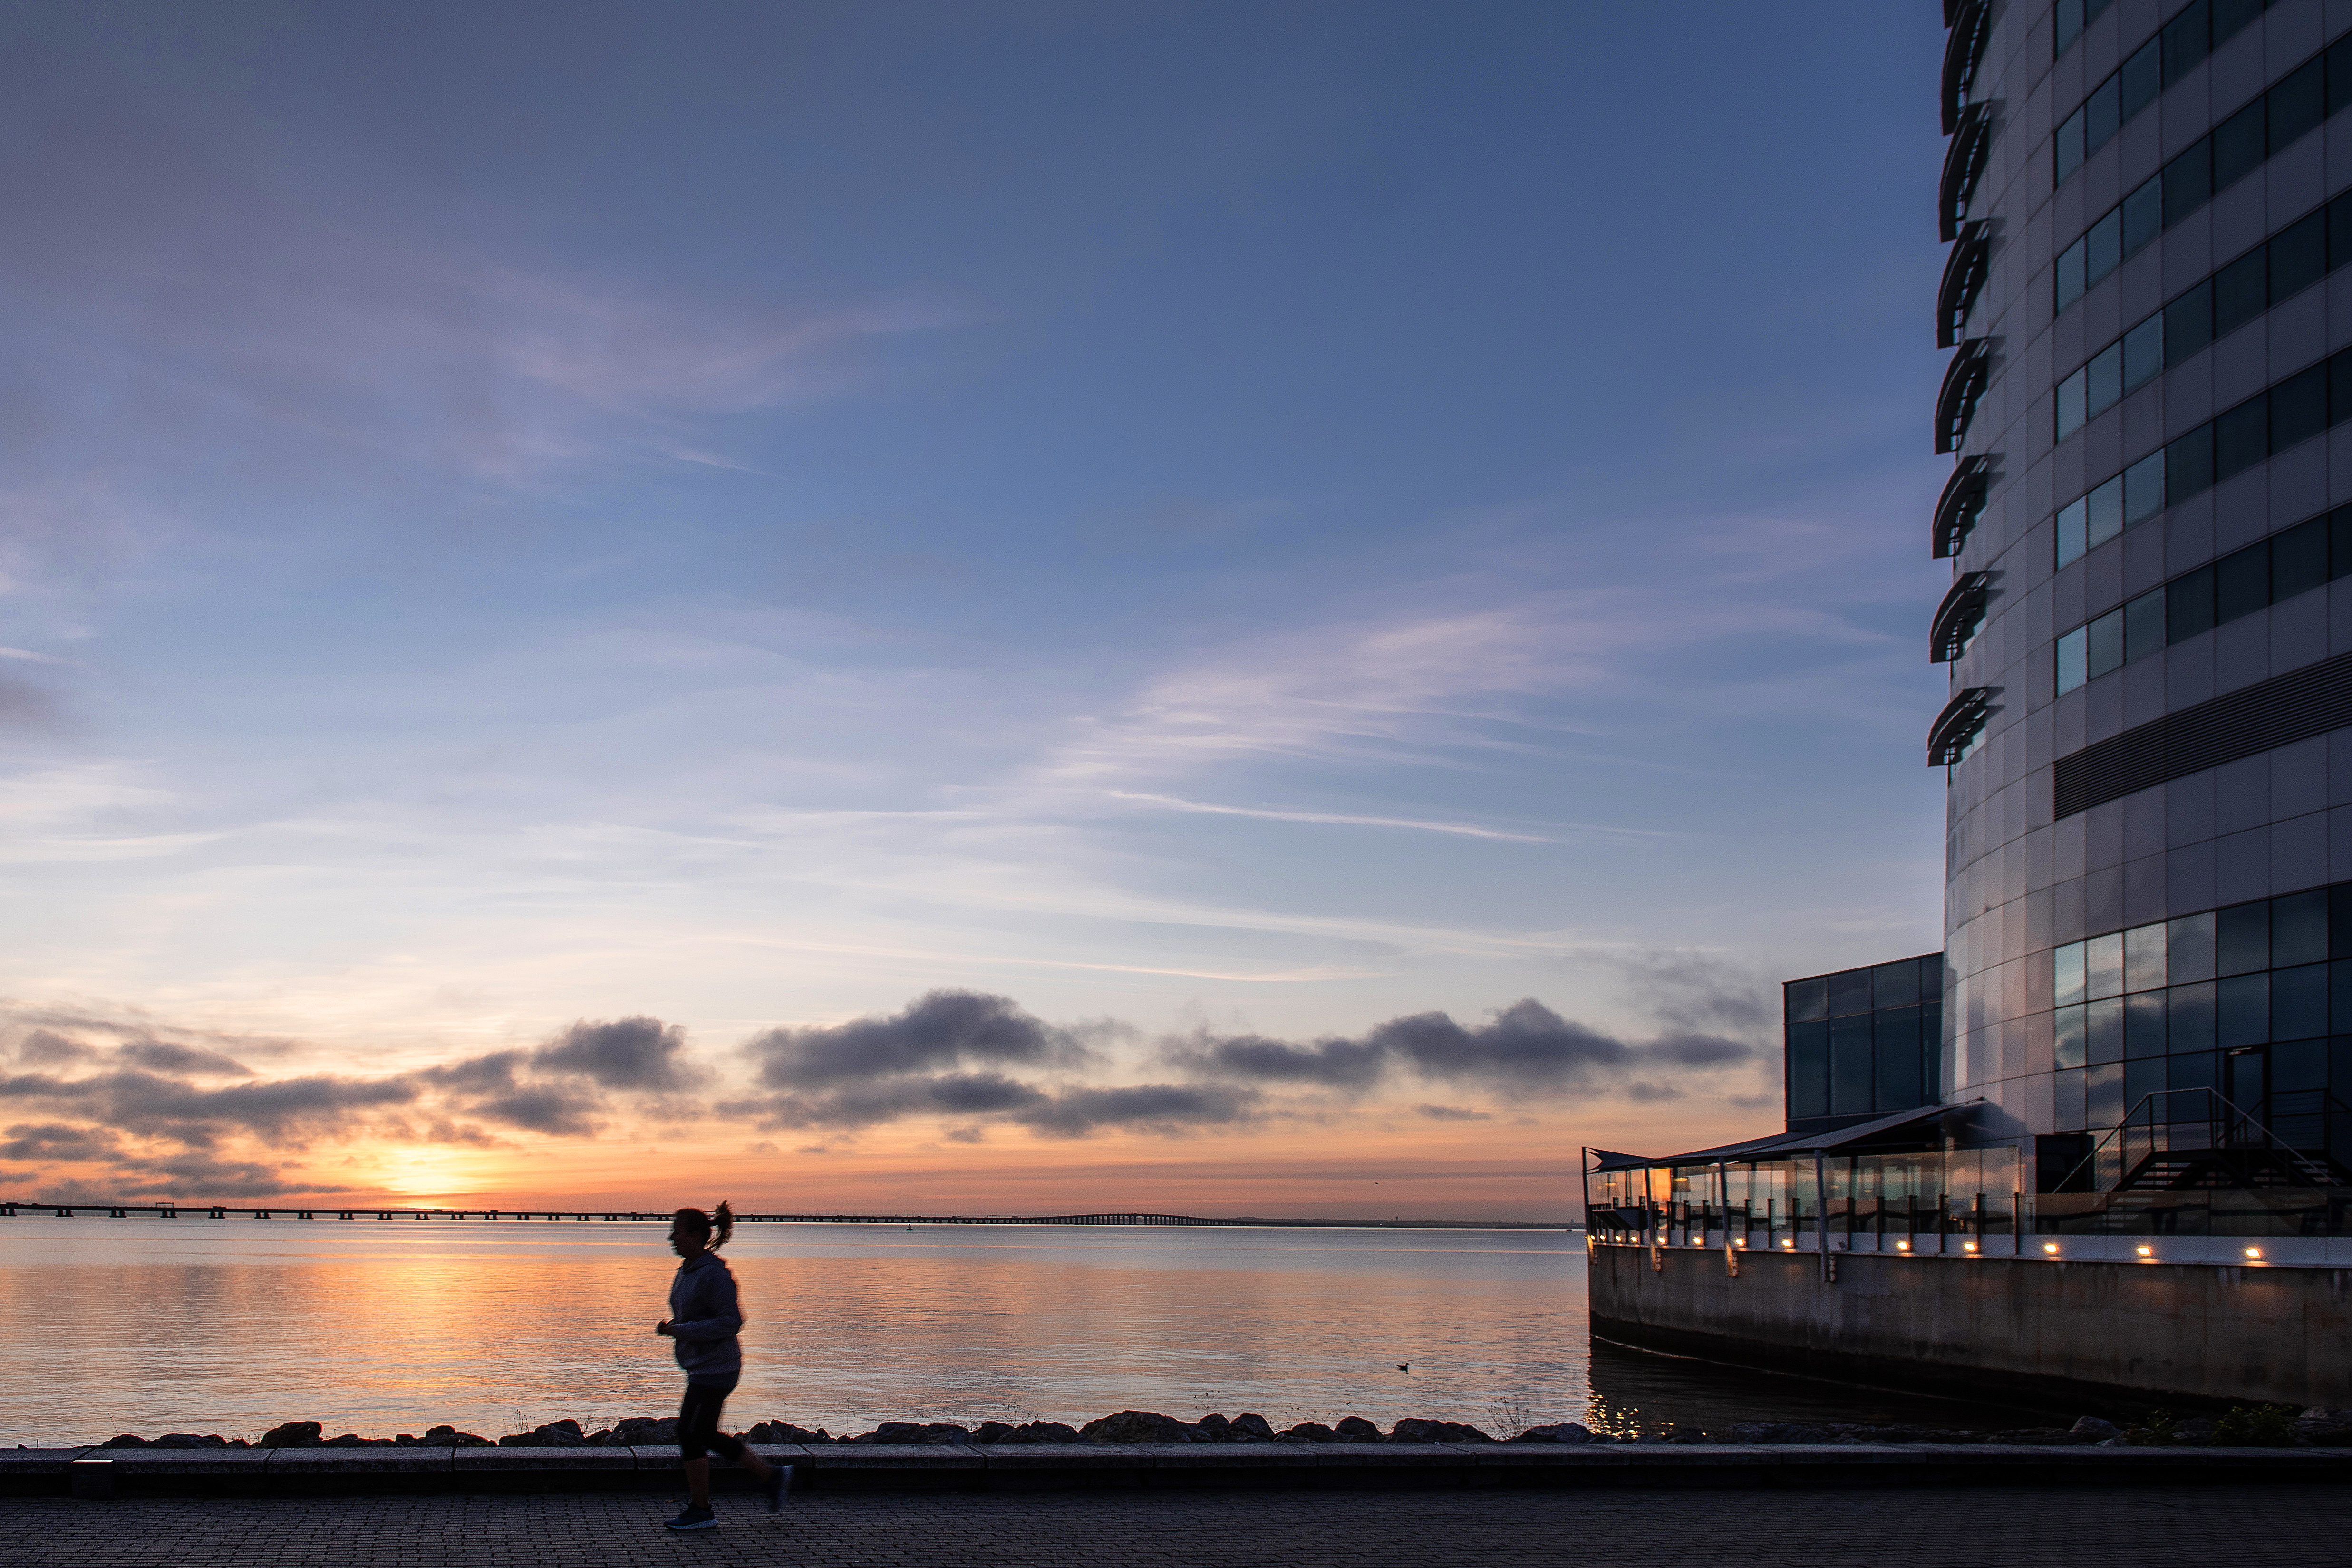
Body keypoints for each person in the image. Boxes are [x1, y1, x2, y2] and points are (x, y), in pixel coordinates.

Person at [655, 1202, 790, 1530]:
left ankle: (702, 1510)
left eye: (678, 1231)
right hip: (703, 1366)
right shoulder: (687, 1270)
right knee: (702, 1433)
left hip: (717, 1368)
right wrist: (675, 1327)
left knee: (689, 1433)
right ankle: (772, 1477)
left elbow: (732, 1321)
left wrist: (680, 1330)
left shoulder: (713, 1274)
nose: (671, 1237)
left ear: (697, 1236)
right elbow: (699, 1317)